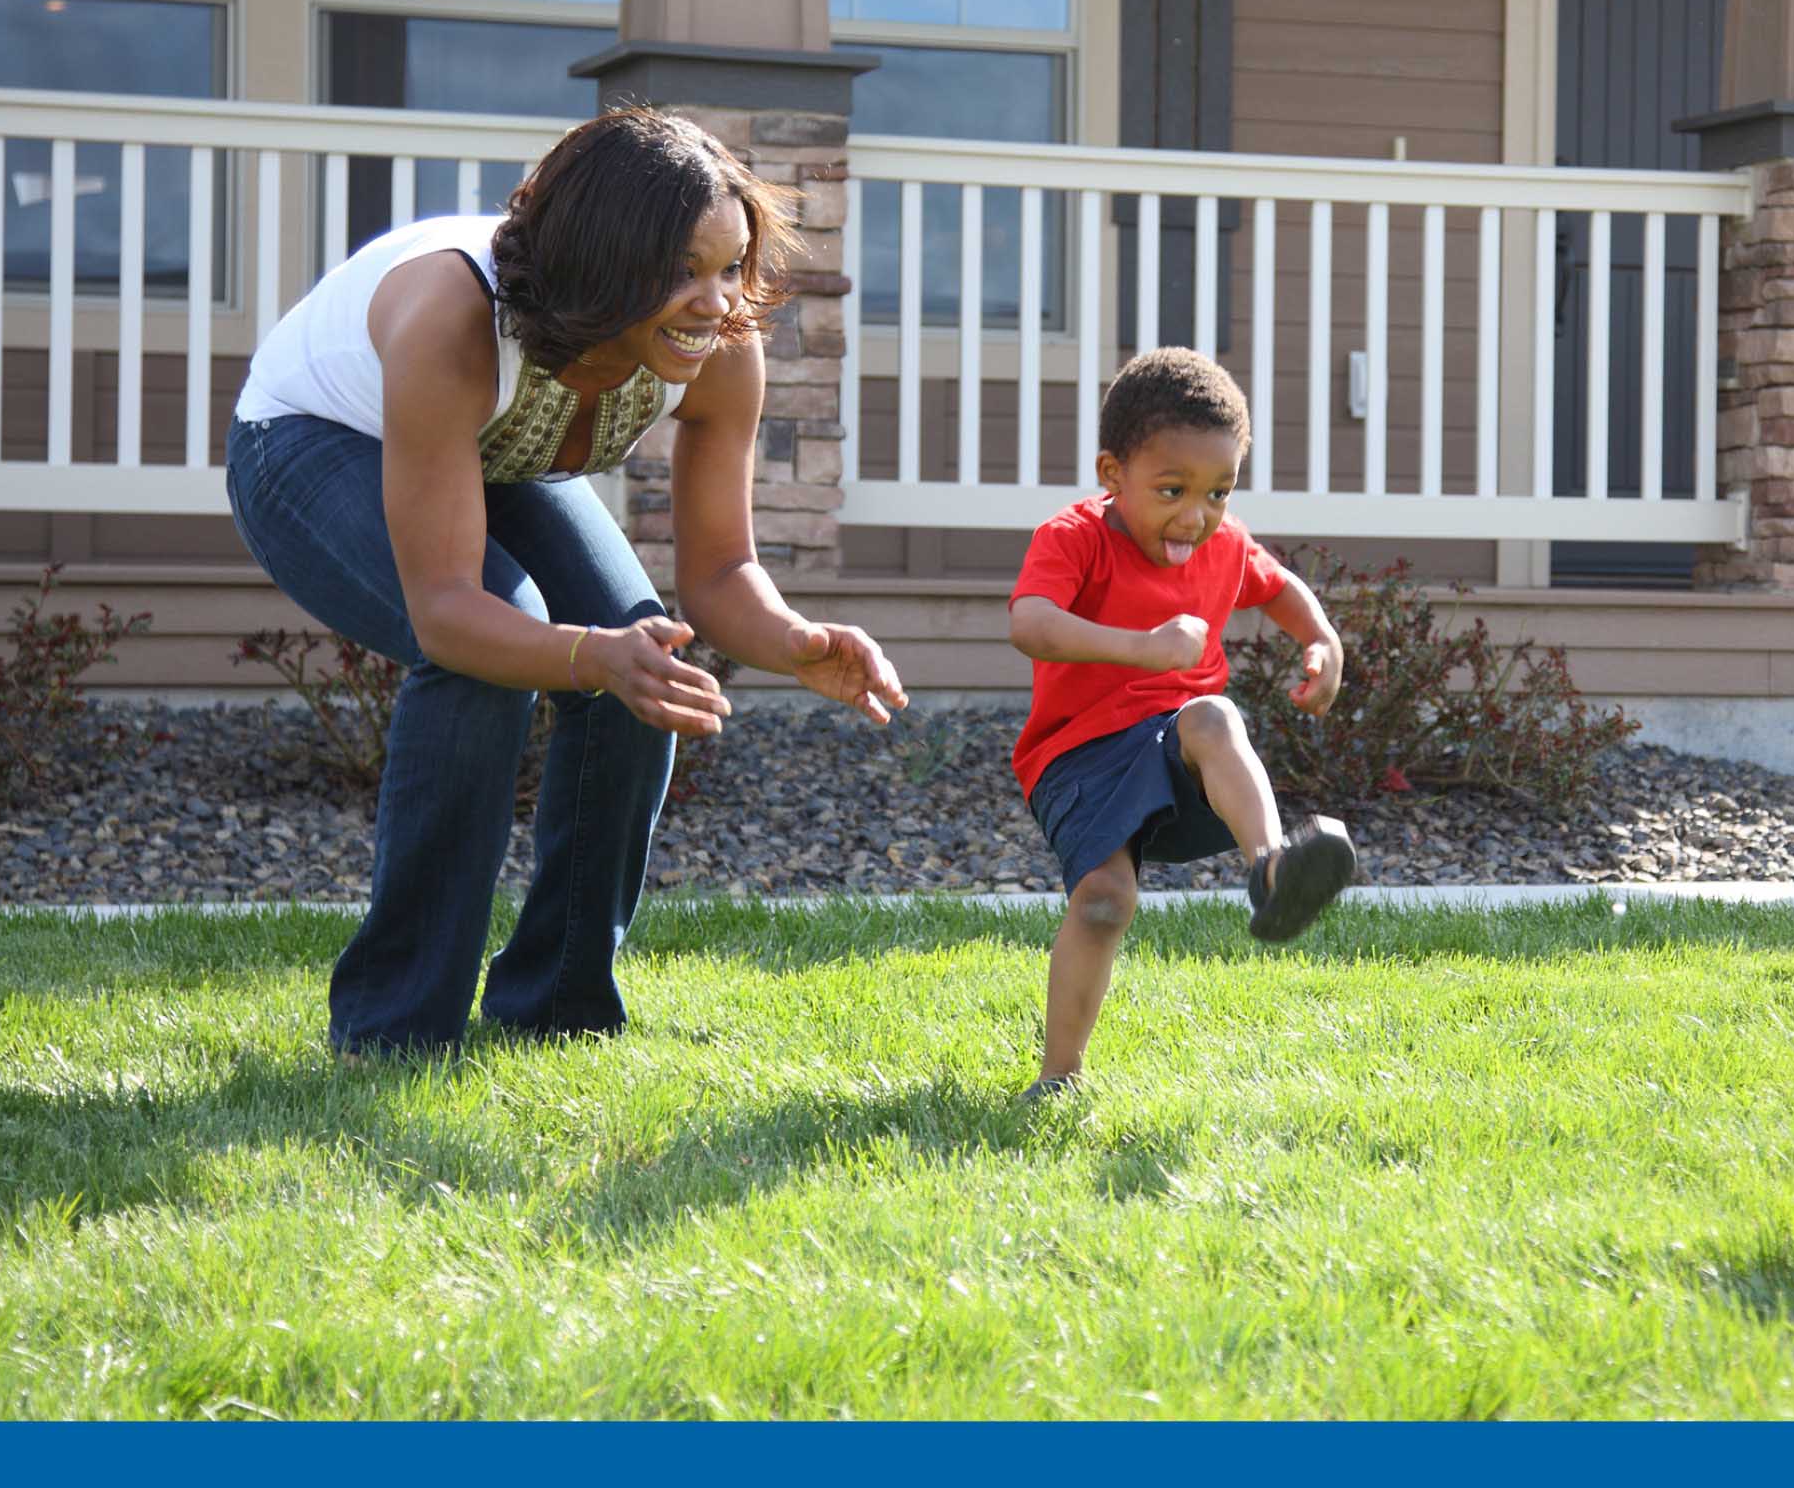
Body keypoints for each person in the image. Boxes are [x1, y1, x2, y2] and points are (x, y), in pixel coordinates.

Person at [225, 107, 909, 1055]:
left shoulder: (719, 347)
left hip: (496, 460)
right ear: (603, 259)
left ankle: (558, 1011)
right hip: (311, 445)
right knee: (488, 649)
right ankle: (396, 1029)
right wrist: (584, 655)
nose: (714, 301)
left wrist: (795, 641)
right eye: (682, 272)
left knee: (645, 650)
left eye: (728, 266)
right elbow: (451, 616)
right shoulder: (455, 320)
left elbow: (717, 575)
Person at [1004, 347, 1358, 1100]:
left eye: (1219, 492)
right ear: (1112, 476)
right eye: (1172, 490)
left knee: (1212, 715)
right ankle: (1058, 1079)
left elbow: (1278, 584)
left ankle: (1271, 871)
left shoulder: (1221, 543)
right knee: (1105, 902)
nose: (1196, 516)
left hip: (1177, 749)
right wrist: (1142, 649)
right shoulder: (1074, 537)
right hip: (1079, 759)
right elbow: (1031, 624)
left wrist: (1321, 639)